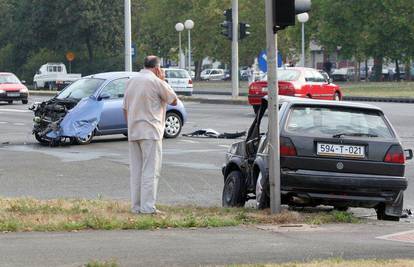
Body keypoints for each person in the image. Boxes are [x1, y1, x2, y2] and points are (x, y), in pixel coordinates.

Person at [122, 55, 178, 214]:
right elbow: (173, 100)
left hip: (133, 131)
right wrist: (163, 80)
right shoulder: (156, 82)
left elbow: (124, 108)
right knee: (150, 170)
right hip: (151, 131)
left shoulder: (131, 81)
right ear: (157, 68)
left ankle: (136, 206)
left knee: (136, 171)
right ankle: (148, 207)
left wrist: (130, 126)